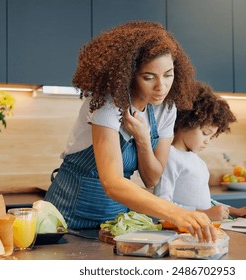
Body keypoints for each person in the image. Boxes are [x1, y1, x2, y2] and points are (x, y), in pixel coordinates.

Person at [45, 21, 216, 242]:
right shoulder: (107, 104)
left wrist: (143, 139)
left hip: (113, 223)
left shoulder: (166, 109)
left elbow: (152, 178)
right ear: (128, 74)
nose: (161, 87)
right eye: (148, 77)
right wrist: (176, 213)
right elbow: (112, 182)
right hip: (67, 218)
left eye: (168, 74)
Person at [153, 81, 246, 221]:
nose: (208, 141)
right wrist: (205, 214)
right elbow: (162, 204)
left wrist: (235, 211)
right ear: (186, 123)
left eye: (211, 136)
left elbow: (206, 203)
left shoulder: (197, 161)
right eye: (205, 133)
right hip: (180, 232)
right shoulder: (170, 156)